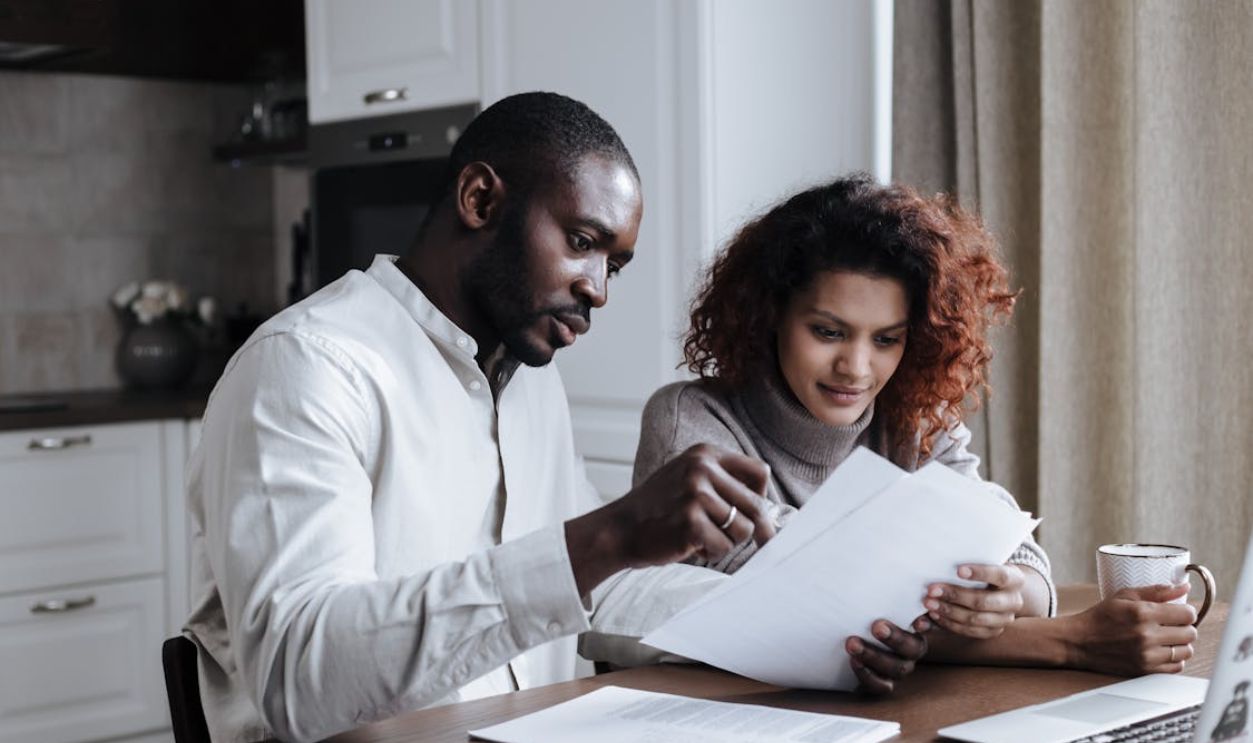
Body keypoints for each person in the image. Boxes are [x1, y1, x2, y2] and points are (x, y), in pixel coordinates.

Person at [184, 92, 778, 743]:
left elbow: (596, 593)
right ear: (479, 200)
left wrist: (811, 623)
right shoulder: (308, 366)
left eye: (613, 264)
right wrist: (607, 535)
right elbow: (302, 679)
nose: (597, 288)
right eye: (581, 241)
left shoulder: (530, 385)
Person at [634, 174, 1200, 693]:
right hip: (720, 712)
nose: (856, 368)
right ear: (769, 314)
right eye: (828, 332)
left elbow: (1007, 536)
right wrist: (1071, 641)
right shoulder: (691, 422)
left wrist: (1011, 590)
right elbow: (809, 606)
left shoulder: (915, 418)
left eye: (887, 339)